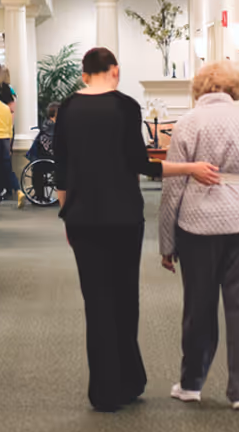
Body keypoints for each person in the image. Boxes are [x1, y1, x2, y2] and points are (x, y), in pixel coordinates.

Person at [55, 47, 218, 412]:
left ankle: (103, 391)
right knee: (125, 300)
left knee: (95, 302)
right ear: (115, 71)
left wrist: (67, 213)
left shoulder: (66, 109)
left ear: (84, 74)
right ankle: (129, 380)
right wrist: (190, 168)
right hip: (124, 218)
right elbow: (141, 165)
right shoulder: (126, 107)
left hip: (82, 219)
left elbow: (60, 170)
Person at [158, 61, 239, 410]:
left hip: (196, 223)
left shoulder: (185, 124)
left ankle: (191, 384)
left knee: (198, 305)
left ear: (199, 90)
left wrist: (166, 243)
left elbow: (173, 188)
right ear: (235, 89)